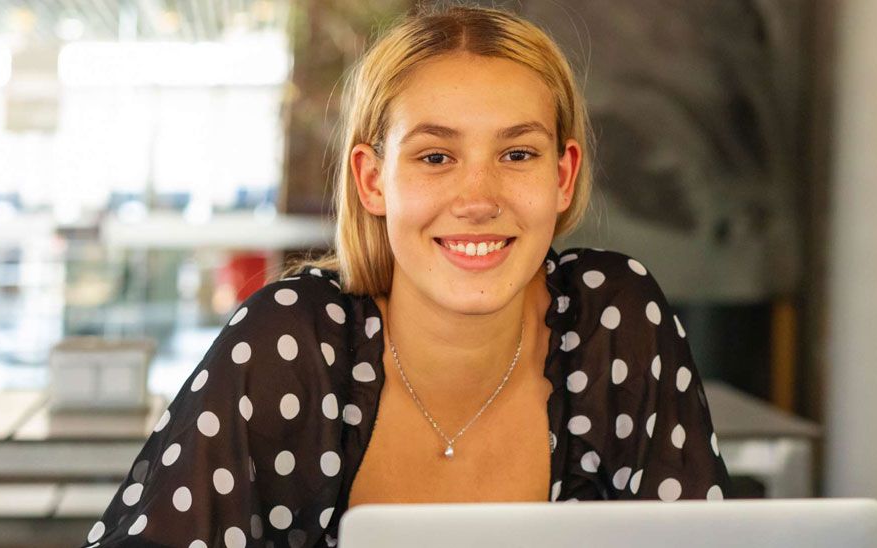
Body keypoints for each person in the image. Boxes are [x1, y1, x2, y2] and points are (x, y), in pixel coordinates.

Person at [81, 5, 732, 547]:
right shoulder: (289, 340)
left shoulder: (617, 320)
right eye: (436, 155)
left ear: (561, 176)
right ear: (372, 179)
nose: (478, 197)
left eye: (517, 153)